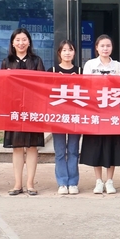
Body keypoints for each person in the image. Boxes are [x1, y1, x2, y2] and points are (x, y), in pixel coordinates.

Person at [80, 34, 120, 194]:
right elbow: (86, 86)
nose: (105, 49)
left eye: (108, 46)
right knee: (96, 146)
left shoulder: (118, 66)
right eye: (102, 46)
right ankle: (98, 181)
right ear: (96, 48)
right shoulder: (90, 64)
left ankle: (110, 181)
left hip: (113, 111)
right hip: (95, 111)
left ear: (112, 48)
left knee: (111, 145)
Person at [2, 28, 45, 196]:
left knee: (32, 147)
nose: (21, 43)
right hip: (14, 109)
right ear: (13, 43)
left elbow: (42, 84)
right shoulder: (7, 62)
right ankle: (17, 184)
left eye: (24, 39)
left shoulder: (36, 60)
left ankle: (30, 184)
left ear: (29, 42)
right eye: (18, 40)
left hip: (32, 109)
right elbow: (3, 86)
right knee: (17, 147)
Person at [50, 40, 82, 195]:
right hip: (58, 117)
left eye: (70, 50)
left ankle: (73, 182)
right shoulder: (52, 70)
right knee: (60, 151)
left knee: (74, 150)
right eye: (64, 50)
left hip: (75, 116)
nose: (67, 53)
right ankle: (62, 182)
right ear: (59, 53)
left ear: (74, 52)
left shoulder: (80, 71)